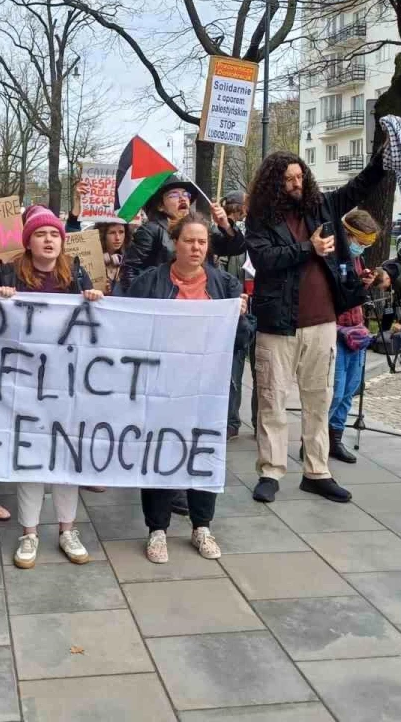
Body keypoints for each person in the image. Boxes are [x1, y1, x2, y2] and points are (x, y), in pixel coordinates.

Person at [244, 149, 388, 504]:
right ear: (274, 184)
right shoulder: (261, 217)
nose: (296, 184)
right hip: (278, 325)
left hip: (323, 322)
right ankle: (270, 471)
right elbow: (264, 258)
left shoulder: (322, 206)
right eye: (288, 179)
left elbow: (357, 189)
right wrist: (309, 248)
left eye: (299, 177)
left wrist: (379, 163)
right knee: (272, 401)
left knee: (319, 398)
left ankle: (317, 470)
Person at [127, 212, 253, 563]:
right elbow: (126, 325)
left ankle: (202, 526)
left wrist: (240, 316)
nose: (195, 247)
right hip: (162, 386)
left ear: (208, 246)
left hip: (206, 388)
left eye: (201, 241)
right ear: (174, 243)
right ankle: (157, 530)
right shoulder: (150, 282)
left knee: (203, 453)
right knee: (159, 454)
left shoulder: (225, 285)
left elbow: (243, 340)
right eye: (188, 240)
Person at [0, 206, 102, 567]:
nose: (49, 240)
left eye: (54, 234)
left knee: (65, 453)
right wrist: (0, 296)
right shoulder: (10, 271)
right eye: (41, 234)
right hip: (23, 381)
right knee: (30, 454)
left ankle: (67, 528)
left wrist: (93, 300)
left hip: (66, 380)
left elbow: (93, 323)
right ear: (29, 241)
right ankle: (29, 533)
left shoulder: (76, 271)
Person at [120, 178, 245, 292]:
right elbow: (130, 270)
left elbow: (237, 248)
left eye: (186, 194)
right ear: (160, 206)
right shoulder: (150, 231)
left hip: (201, 295)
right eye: (174, 195)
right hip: (166, 299)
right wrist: (143, 301)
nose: (182, 198)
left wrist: (225, 225)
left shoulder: (202, 228)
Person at [326, 210, 381, 463]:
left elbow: (353, 290)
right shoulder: (332, 255)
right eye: (361, 242)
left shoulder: (355, 259)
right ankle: (316, 440)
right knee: (334, 391)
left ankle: (335, 438)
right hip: (335, 329)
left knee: (349, 390)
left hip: (356, 327)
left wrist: (363, 283)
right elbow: (333, 292)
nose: (362, 248)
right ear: (348, 235)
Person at [217, 191, 255, 440]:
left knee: (263, 372)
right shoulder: (226, 238)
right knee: (233, 370)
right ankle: (231, 420)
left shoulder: (260, 235)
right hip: (236, 309)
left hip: (260, 308)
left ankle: (261, 419)